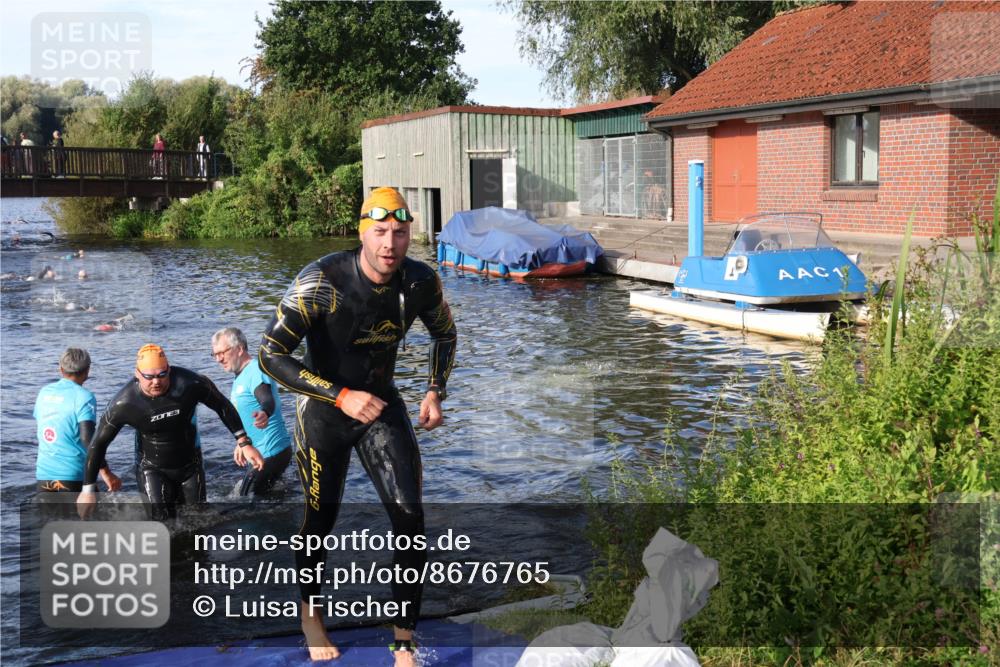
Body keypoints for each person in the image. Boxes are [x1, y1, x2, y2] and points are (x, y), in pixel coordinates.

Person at [259, 186, 457, 665]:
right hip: (325, 410)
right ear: (362, 232)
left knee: (410, 519)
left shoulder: (420, 282)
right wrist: (339, 395)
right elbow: (270, 355)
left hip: (380, 406)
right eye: (380, 232)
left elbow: (445, 334)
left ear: (411, 235)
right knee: (320, 520)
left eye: (401, 233)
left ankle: (403, 642)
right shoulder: (321, 281)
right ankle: (310, 614)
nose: (390, 244)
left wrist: (434, 390)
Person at [76, 344, 265, 520]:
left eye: (162, 374)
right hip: (151, 467)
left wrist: (243, 442)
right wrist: (87, 490)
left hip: (190, 464)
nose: (156, 381)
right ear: (137, 374)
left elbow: (222, 406)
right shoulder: (124, 403)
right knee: (160, 521)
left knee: (198, 519)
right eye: (149, 377)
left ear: (170, 370)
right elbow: (98, 444)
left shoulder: (190, 384)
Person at [211, 327, 291, 496]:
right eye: (215, 354)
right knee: (265, 497)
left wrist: (265, 413)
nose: (218, 359)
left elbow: (266, 399)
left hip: (271, 452)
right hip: (263, 452)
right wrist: (242, 442)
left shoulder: (255, 370)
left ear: (239, 349)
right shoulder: (241, 376)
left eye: (222, 353)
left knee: (244, 500)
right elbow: (245, 413)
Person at [34, 348, 122, 494]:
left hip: (43, 476)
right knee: (97, 516)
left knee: (51, 517)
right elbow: (88, 439)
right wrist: (106, 472)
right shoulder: (84, 397)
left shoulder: (44, 392)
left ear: (60, 369)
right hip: (73, 476)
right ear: (87, 370)